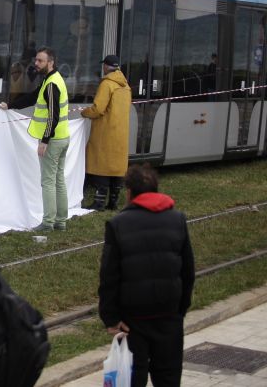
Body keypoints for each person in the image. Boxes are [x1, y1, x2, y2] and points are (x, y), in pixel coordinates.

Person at [99, 165, 195, 387]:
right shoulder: (177, 219)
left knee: (133, 379)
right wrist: (180, 309)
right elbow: (188, 271)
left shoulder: (118, 225)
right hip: (169, 315)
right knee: (168, 376)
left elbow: (109, 276)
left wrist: (111, 318)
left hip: (133, 321)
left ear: (129, 192)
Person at [0, 46, 70, 232]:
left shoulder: (52, 84)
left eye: (40, 61)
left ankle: (48, 222)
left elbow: (53, 116)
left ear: (50, 62)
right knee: (59, 180)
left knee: (48, 181)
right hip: (63, 137)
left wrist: (45, 141)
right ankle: (61, 221)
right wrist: (11, 105)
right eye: (36, 60)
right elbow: (32, 98)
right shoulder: (51, 79)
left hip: (53, 140)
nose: (36, 64)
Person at [81, 54, 131, 211]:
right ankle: (113, 202)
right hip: (121, 133)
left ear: (106, 67)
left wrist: (85, 112)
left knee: (101, 167)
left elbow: (98, 109)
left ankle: (99, 202)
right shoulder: (126, 86)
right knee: (116, 170)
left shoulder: (107, 84)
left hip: (106, 133)